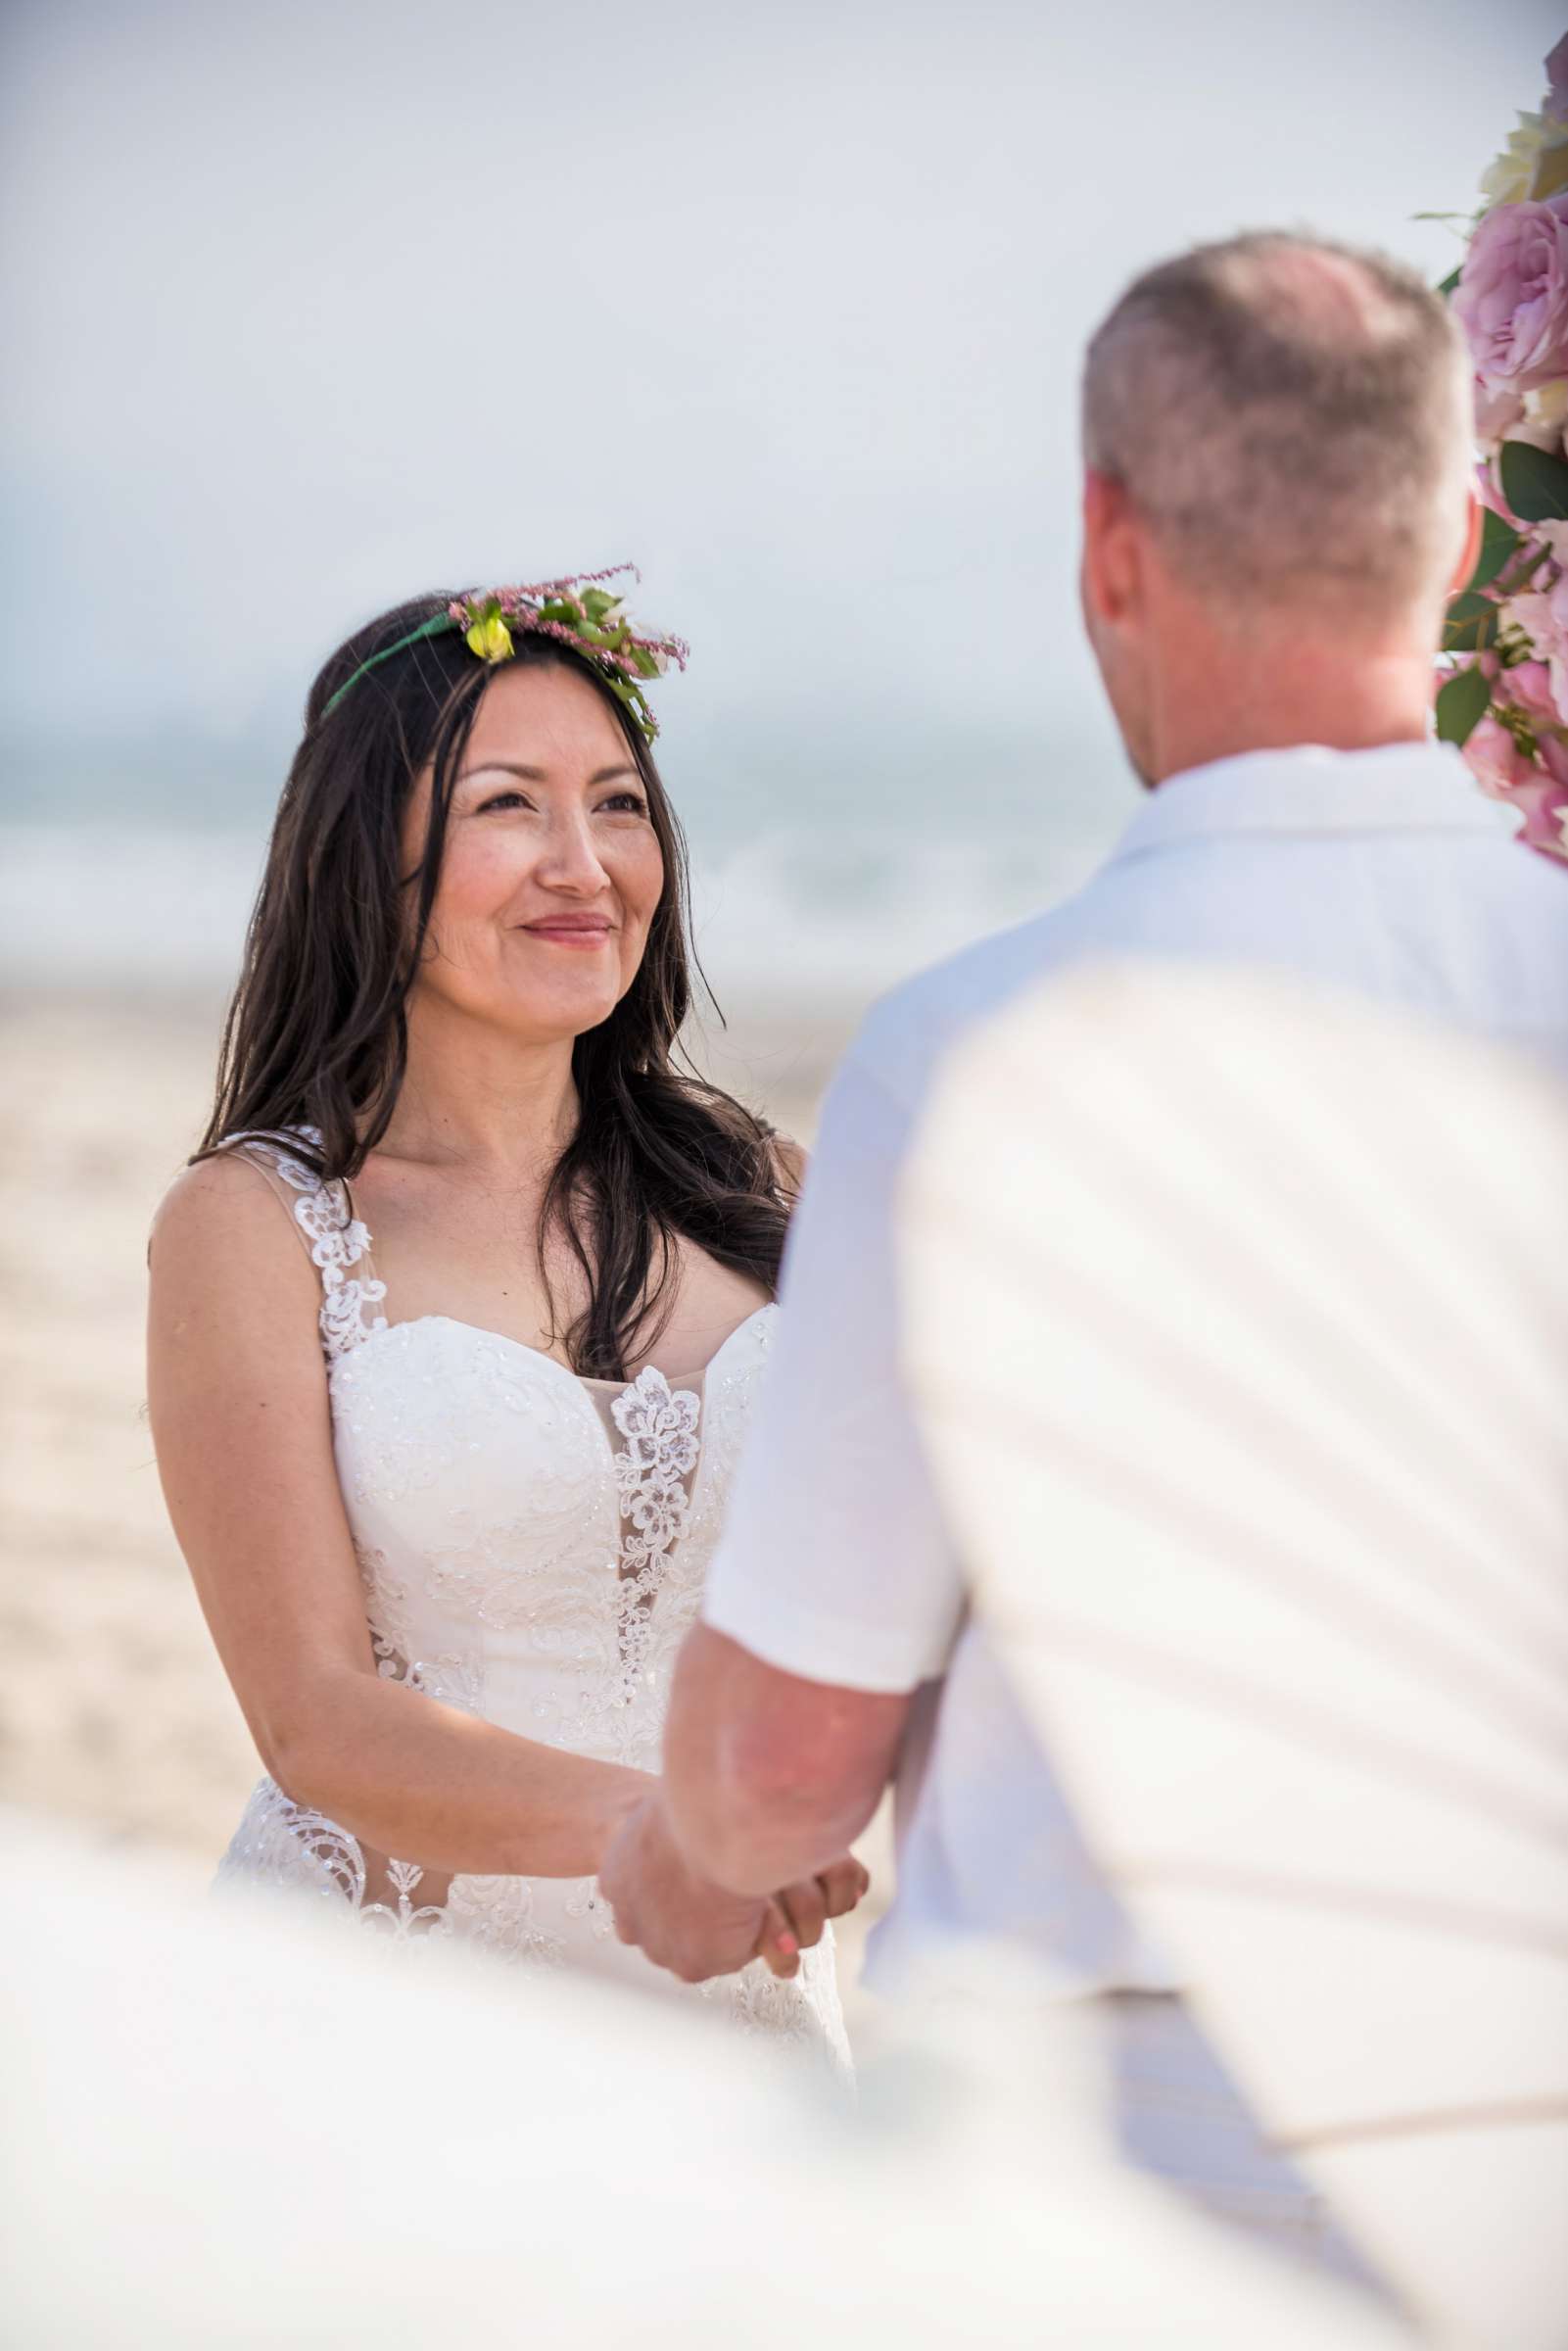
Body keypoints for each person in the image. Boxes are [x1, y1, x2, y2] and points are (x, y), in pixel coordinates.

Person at [598, 234, 1568, 2248]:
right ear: (1466, 531)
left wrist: (695, 1859)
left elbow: (788, 1755)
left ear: (1108, 549)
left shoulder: (975, 1058)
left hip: (1124, 2157)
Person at [146, 571, 863, 2071]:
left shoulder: (767, 1189)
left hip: (741, 2014)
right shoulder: (253, 1228)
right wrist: (663, 1835)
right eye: (506, 806)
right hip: (387, 2028)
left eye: (616, 802)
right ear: (367, 858)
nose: (585, 864)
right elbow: (315, 1725)